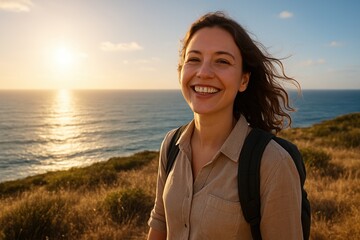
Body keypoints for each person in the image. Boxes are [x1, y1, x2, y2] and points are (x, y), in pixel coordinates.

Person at [147, 11, 302, 239]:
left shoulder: (272, 163)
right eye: (194, 59)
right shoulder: (171, 145)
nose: (204, 72)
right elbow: (160, 223)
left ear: (243, 80)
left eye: (222, 61)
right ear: (181, 71)